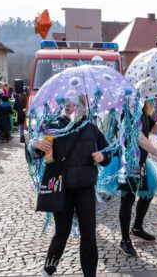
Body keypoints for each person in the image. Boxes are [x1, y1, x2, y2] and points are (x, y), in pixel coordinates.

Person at [32, 96, 111, 277]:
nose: (69, 108)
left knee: (89, 234)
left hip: (85, 188)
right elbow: (35, 150)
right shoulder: (54, 127)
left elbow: (108, 152)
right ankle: (48, 270)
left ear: (83, 108)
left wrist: (103, 156)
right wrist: (37, 144)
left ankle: (90, 274)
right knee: (62, 233)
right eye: (67, 105)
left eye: (74, 105)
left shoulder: (91, 128)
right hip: (62, 189)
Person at [119, 100, 157, 257]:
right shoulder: (127, 110)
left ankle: (137, 228)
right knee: (127, 200)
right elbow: (138, 136)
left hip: (141, 161)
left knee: (147, 194)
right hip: (128, 162)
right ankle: (125, 240)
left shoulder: (143, 110)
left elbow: (153, 130)